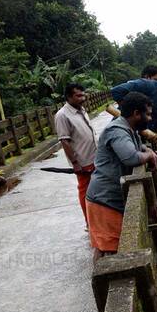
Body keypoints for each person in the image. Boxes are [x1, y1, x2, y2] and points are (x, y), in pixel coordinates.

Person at [85, 92, 157, 261]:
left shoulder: (128, 129)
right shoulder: (117, 130)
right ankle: (101, 284)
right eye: (147, 114)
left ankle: (100, 283)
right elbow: (131, 157)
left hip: (107, 198)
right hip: (104, 200)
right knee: (110, 250)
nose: (149, 118)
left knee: (107, 247)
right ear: (135, 113)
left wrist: (147, 150)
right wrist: (148, 156)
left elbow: (136, 146)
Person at [54, 83, 96, 224]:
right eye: (78, 96)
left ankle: (96, 220)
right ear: (68, 97)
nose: (82, 98)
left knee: (96, 189)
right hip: (83, 161)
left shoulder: (82, 109)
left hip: (94, 157)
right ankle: (89, 222)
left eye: (83, 94)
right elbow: (64, 141)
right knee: (85, 191)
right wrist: (75, 163)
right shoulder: (62, 115)